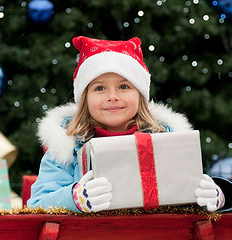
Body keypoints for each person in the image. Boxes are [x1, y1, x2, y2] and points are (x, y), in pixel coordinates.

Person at [27, 36, 230, 213]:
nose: (113, 97)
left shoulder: (166, 140)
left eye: (124, 86)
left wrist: (216, 195)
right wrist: (74, 198)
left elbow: (189, 195)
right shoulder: (66, 147)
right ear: (84, 98)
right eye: (99, 88)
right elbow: (37, 203)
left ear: (140, 95)